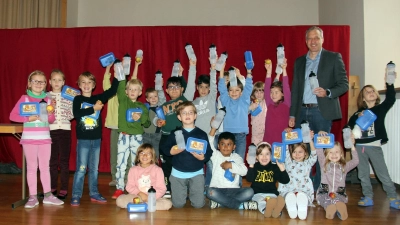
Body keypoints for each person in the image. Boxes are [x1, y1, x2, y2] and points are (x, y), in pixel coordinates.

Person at [289, 26, 349, 191]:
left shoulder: (333, 58)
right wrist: (292, 114)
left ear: (322, 40)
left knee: (322, 153)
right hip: (302, 111)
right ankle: (304, 187)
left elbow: (344, 84)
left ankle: (320, 187)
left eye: (316, 38)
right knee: (302, 151)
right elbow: (295, 89)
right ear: (306, 41)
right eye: (309, 38)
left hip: (322, 112)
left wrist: (328, 92)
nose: (313, 41)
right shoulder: (299, 61)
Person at [9, 70, 64, 208]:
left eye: (42, 81)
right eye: (35, 81)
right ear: (29, 83)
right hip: (29, 139)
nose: (39, 84)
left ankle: (48, 195)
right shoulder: (24, 98)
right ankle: (32, 197)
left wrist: (51, 113)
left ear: (46, 84)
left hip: (45, 138)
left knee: (45, 167)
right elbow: (12, 116)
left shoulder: (49, 99)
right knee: (32, 168)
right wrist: (28, 118)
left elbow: (51, 120)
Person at [348, 76, 400, 210]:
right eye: (367, 92)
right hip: (359, 147)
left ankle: (393, 196)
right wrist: (351, 133)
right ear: (363, 98)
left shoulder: (380, 109)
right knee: (363, 174)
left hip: (374, 146)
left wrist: (389, 83)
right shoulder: (358, 113)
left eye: (373, 91)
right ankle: (368, 196)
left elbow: (390, 99)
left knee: (382, 173)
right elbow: (347, 127)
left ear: (376, 95)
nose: (371, 93)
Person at [70, 71, 120, 206]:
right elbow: (77, 114)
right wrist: (94, 108)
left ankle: (94, 193)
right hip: (83, 140)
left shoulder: (98, 98)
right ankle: (76, 194)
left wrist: (117, 71)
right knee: (81, 168)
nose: (86, 85)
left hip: (96, 140)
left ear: (93, 85)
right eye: (83, 82)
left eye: (89, 82)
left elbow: (112, 90)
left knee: (94, 169)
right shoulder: (78, 99)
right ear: (79, 85)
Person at [160, 101, 212, 208]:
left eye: (190, 112)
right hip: (178, 173)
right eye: (184, 113)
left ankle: (194, 195)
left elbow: (209, 151)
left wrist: (203, 157)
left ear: (195, 115)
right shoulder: (175, 133)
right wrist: (171, 151)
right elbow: (164, 148)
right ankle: (183, 195)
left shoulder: (201, 134)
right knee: (178, 205)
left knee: (198, 205)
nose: (187, 115)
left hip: (197, 173)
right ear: (179, 117)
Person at [159, 60, 196, 196]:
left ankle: (185, 189)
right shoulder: (163, 104)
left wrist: (186, 71)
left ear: (181, 89)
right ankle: (168, 188)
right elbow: (156, 118)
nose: (174, 89)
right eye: (171, 87)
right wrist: (158, 122)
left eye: (177, 87)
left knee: (182, 162)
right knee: (166, 164)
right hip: (165, 137)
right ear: (167, 90)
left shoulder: (185, 99)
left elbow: (188, 84)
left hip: (180, 135)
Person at [111, 76, 151, 199]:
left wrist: (141, 117)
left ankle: (137, 188)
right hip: (123, 136)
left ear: (140, 93)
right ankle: (119, 188)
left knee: (137, 163)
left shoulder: (142, 106)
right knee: (121, 163)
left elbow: (147, 123)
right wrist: (122, 73)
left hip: (137, 137)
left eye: (135, 89)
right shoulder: (123, 101)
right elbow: (120, 86)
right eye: (130, 89)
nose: (132, 91)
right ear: (126, 91)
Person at [104, 59, 139, 186]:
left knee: (129, 154)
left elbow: (134, 80)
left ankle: (128, 178)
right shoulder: (111, 90)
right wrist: (109, 68)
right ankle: (115, 177)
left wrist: (136, 64)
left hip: (128, 126)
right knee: (115, 152)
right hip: (115, 126)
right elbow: (105, 81)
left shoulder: (127, 91)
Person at [206, 131, 254, 209]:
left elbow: (244, 171)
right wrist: (213, 129)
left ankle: (221, 203)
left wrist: (231, 165)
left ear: (234, 147)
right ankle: (238, 205)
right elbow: (209, 142)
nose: (225, 147)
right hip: (218, 189)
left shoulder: (236, 157)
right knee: (210, 192)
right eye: (222, 144)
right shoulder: (215, 155)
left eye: (229, 144)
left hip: (234, 190)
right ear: (218, 146)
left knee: (250, 191)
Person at [116, 143, 172, 210]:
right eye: (142, 153)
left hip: (153, 198)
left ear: (152, 157)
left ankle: (141, 205)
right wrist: (139, 193)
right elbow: (129, 186)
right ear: (138, 157)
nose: (145, 155)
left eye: (148, 153)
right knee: (120, 200)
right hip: (137, 196)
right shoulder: (133, 170)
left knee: (168, 204)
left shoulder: (158, 170)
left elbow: (162, 188)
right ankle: (146, 206)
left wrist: (150, 198)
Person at [315, 135, 359, 220]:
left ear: (341, 153)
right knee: (324, 200)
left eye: (336, 152)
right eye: (330, 152)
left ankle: (340, 207)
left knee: (339, 199)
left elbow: (356, 161)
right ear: (326, 154)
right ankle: (330, 208)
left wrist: (352, 146)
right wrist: (321, 138)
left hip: (339, 192)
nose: (334, 154)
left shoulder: (344, 166)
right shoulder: (324, 163)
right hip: (324, 191)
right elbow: (319, 151)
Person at [277, 129, 317, 220]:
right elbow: (286, 149)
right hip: (289, 189)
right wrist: (287, 135)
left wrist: (310, 140)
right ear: (291, 153)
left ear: (305, 153)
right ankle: (291, 207)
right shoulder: (288, 161)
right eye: (294, 152)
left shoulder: (308, 162)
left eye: (300, 152)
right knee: (289, 196)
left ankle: (302, 207)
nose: (297, 155)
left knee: (302, 196)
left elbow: (314, 154)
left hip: (303, 190)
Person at [47, 69, 74, 200]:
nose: (56, 82)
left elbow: (73, 112)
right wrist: (50, 110)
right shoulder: (45, 96)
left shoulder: (68, 97)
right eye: (54, 79)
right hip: (50, 131)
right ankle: (52, 187)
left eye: (59, 80)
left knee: (63, 161)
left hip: (65, 131)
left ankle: (63, 188)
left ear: (63, 82)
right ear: (49, 81)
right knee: (52, 161)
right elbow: (42, 114)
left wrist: (64, 113)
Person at [218, 64, 253, 163]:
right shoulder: (226, 100)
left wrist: (249, 71)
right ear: (228, 92)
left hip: (241, 136)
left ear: (241, 92)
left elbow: (249, 87)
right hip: (227, 135)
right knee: (226, 162)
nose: (234, 92)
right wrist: (221, 70)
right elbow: (221, 88)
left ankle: (238, 179)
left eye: (237, 90)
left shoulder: (244, 100)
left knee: (239, 162)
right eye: (231, 90)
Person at [246, 142, 290, 217]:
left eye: (267, 154)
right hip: (257, 194)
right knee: (261, 202)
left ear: (272, 155)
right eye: (261, 154)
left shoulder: (274, 167)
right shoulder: (255, 166)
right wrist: (251, 164)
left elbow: (285, 181)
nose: (264, 157)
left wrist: (282, 168)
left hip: (271, 193)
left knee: (274, 200)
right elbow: (249, 179)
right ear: (256, 156)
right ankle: (267, 210)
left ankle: (276, 210)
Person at [192, 59, 217, 189]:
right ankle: (199, 187)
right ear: (197, 87)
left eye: (206, 87)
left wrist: (213, 69)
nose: (203, 89)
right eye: (201, 87)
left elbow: (214, 83)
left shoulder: (211, 98)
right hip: (199, 138)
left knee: (212, 163)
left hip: (212, 136)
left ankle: (209, 186)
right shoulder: (193, 103)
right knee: (198, 163)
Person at [262, 59, 290, 144]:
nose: (273, 95)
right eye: (272, 92)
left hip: (281, 140)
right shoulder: (269, 104)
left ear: (283, 94)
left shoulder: (286, 104)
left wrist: (284, 69)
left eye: (276, 92)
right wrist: (268, 72)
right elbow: (266, 89)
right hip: (268, 139)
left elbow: (286, 86)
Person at [143, 86, 166, 159]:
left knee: (155, 153)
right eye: (151, 97)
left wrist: (160, 88)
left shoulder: (160, 107)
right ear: (147, 99)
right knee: (145, 152)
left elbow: (156, 119)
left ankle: (155, 168)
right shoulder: (145, 108)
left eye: (155, 96)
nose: (153, 98)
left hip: (157, 134)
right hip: (145, 134)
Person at [249, 80, 266, 146]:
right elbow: (245, 112)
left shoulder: (266, 102)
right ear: (253, 93)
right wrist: (250, 107)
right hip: (255, 133)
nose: (259, 94)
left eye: (261, 92)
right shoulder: (252, 103)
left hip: (265, 132)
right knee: (255, 151)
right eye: (256, 92)